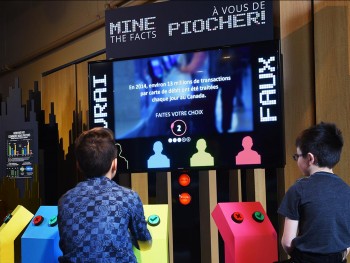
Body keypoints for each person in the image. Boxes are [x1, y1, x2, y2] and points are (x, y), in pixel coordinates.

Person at [57, 127, 152, 263]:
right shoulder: (129, 197)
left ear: (78, 165)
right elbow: (145, 243)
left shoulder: (65, 200)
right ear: (114, 164)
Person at [278, 122, 350, 263]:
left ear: (310, 158)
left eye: (297, 156)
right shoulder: (347, 190)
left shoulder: (298, 189)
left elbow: (287, 242)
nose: (297, 159)